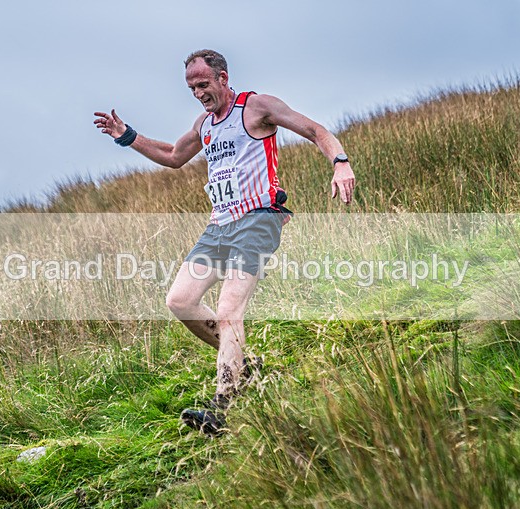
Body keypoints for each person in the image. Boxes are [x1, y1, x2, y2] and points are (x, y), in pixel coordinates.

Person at [94, 49, 355, 436]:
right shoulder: (206, 125)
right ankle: (242, 367)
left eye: (203, 83)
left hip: (257, 219)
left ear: (223, 77)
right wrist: (125, 136)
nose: (198, 92)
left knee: (229, 308)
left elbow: (315, 131)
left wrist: (340, 163)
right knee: (180, 301)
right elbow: (172, 155)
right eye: (192, 87)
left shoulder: (257, 107)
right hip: (218, 227)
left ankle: (224, 404)